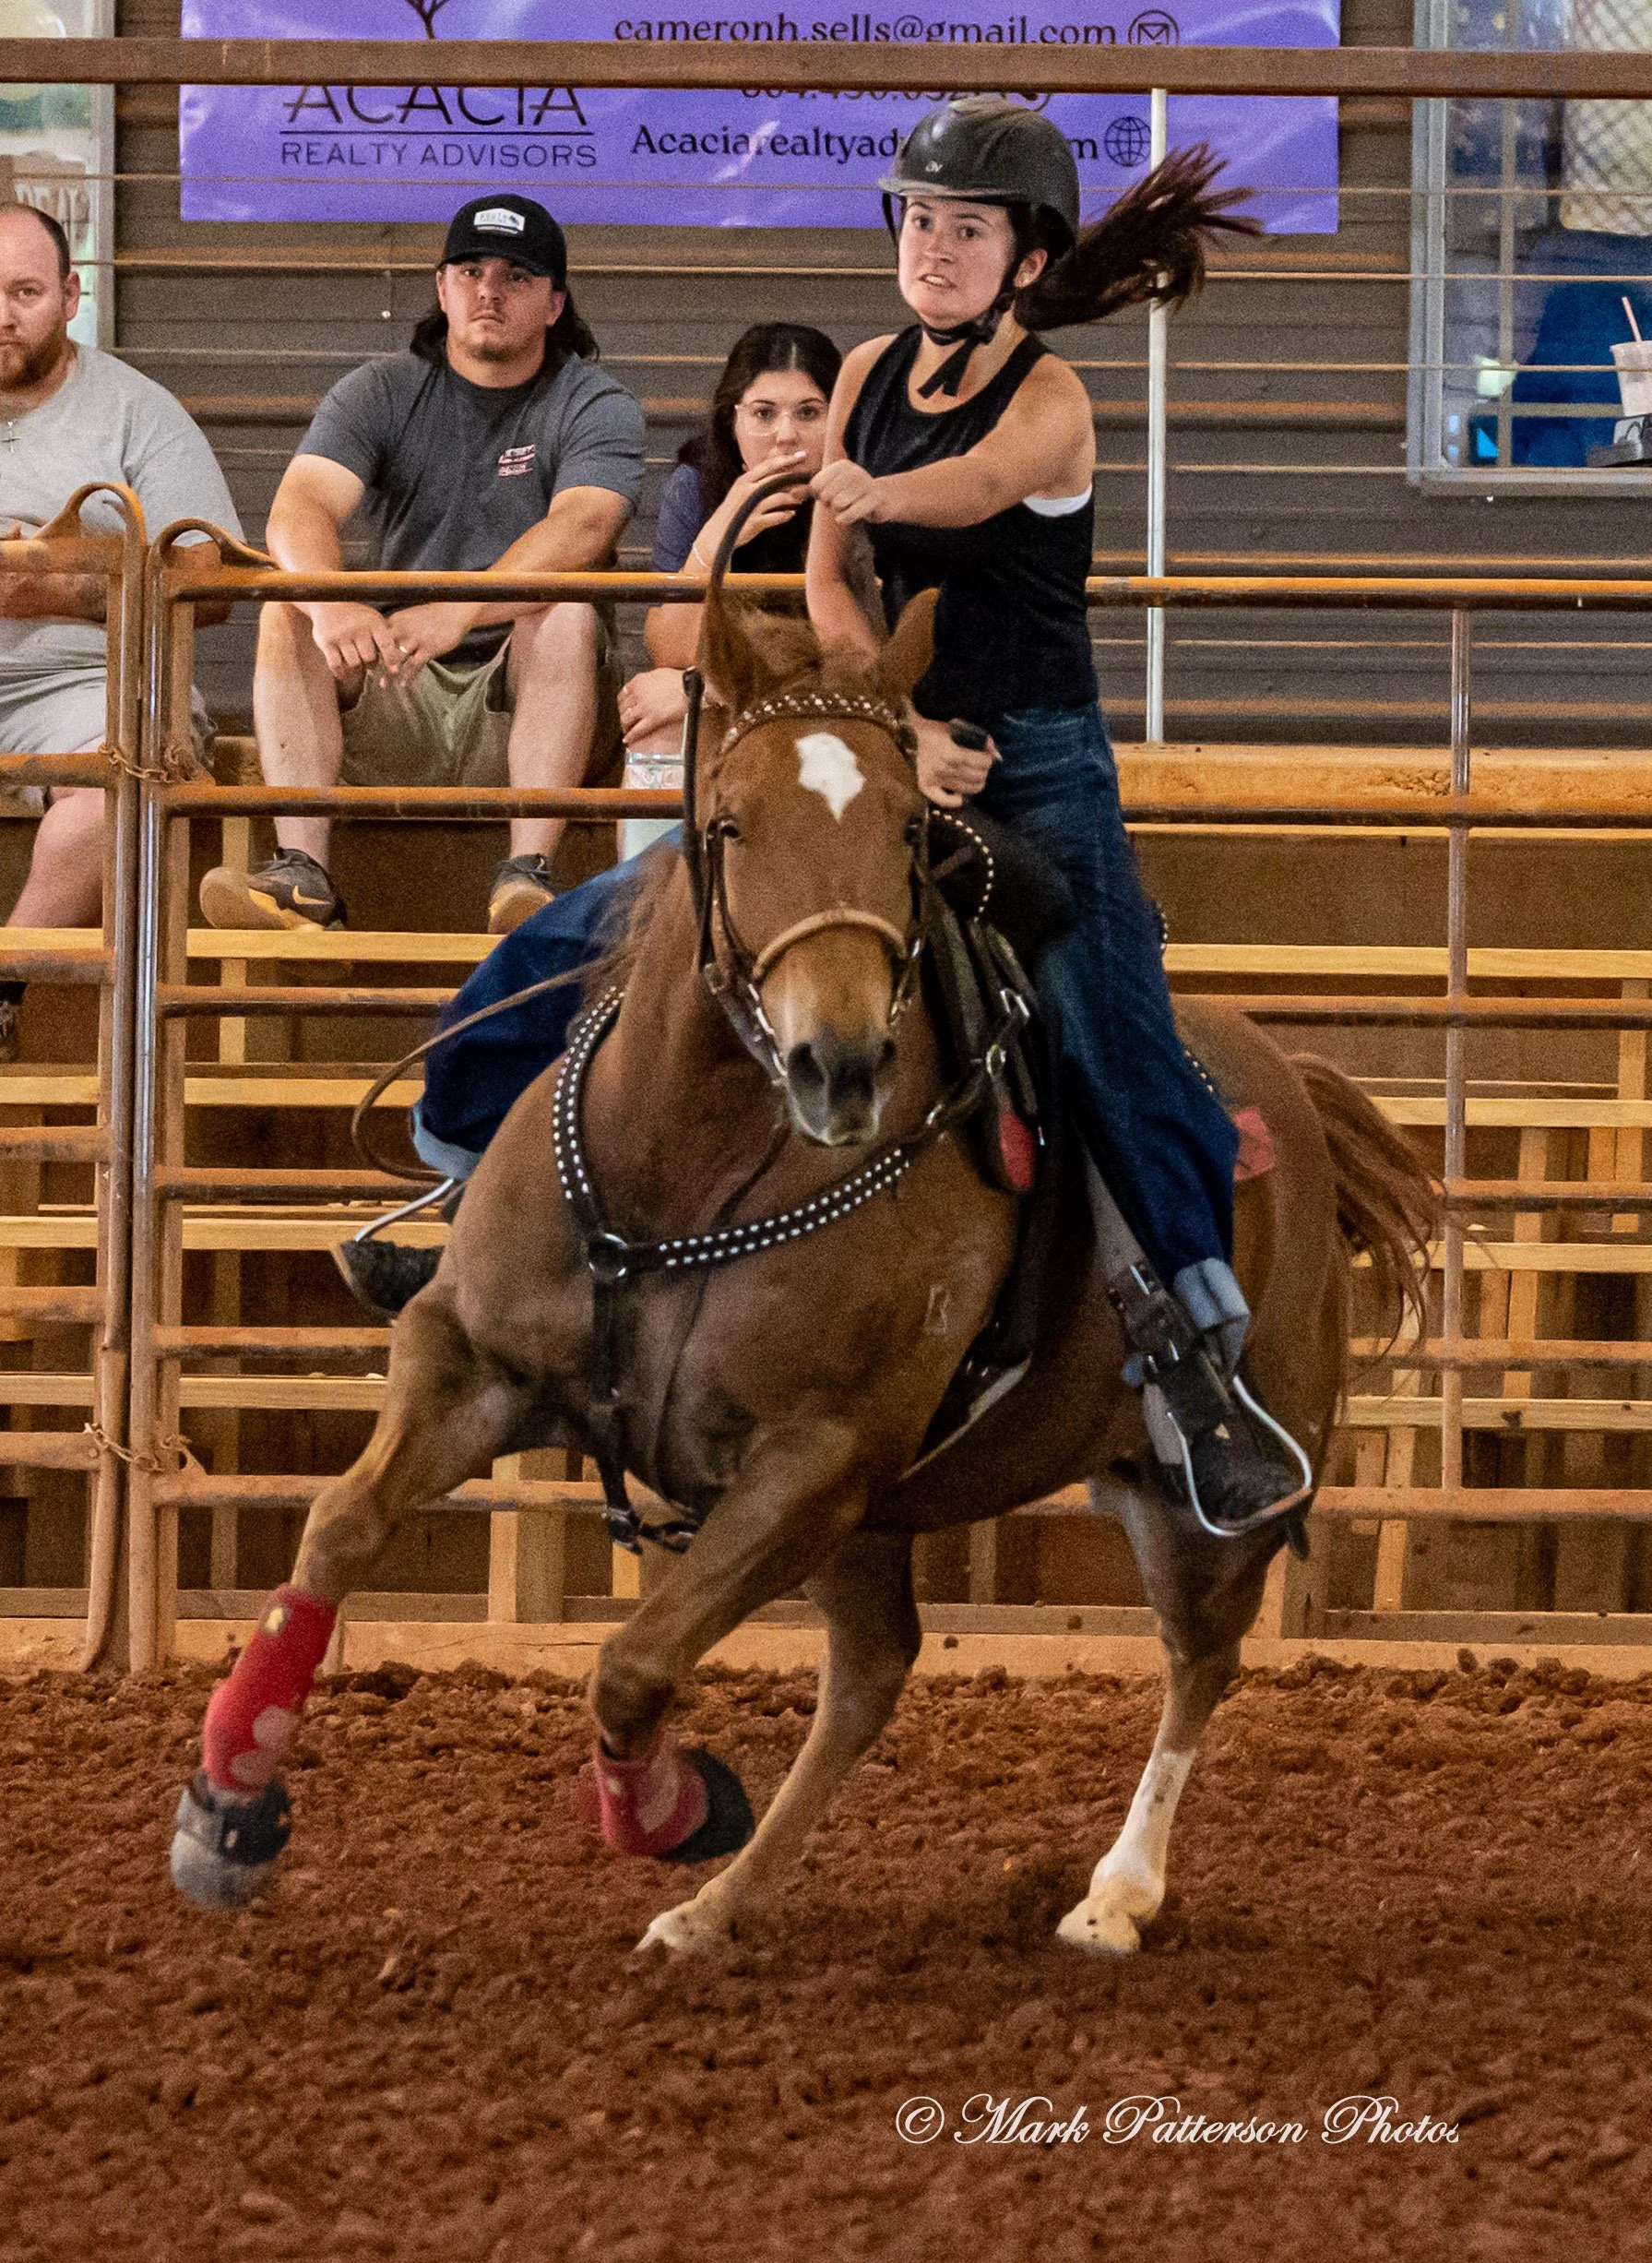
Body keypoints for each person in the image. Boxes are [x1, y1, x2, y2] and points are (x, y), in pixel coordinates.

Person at [804, 96, 1302, 1531]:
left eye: (965, 229)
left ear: (1024, 261)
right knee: (716, 916)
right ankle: (479, 1179)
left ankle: (1202, 1368)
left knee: (1102, 1031)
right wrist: (896, 726)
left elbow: (967, 494)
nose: (931, 246)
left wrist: (866, 486)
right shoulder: (861, 372)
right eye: (916, 219)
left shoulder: (1049, 401)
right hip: (899, 739)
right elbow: (829, 583)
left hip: (1039, 761)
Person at [199, 193, 646, 938]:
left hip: (533, 700)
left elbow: (585, 523)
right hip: (400, 678)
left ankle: (527, 874)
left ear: (554, 303)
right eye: (470, 272)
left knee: (564, 609)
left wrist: (460, 608)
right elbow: (299, 506)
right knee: (287, 604)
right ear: (441, 288)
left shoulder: (594, 401)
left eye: (515, 276)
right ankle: (301, 877)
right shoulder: (381, 389)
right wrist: (329, 603)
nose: (489, 292)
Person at [0, 199, 241, 1060]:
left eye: (25, 292)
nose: (3, 314)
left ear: (70, 296)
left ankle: (5, 980)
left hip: (85, 686)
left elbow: (212, 579)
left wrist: (67, 586)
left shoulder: (136, 410)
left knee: (125, 769)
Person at [614, 320, 840, 860]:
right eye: (763, 413)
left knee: (679, 701)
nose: (785, 435)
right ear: (732, 422)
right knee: (659, 728)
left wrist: (705, 688)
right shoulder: (696, 486)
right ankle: (658, 901)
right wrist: (721, 534)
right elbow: (670, 649)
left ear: (841, 420)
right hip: (745, 702)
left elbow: (855, 654)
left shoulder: (863, 495)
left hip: (835, 707)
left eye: (809, 413)